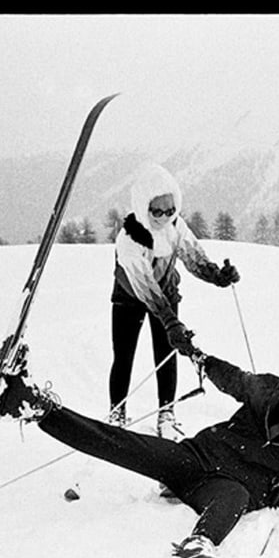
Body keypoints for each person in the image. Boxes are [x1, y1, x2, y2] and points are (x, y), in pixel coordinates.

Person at [0, 343, 279, 558]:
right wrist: (198, 356)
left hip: (225, 488)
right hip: (194, 458)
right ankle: (31, 405)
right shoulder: (271, 392)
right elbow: (234, 378)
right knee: (122, 443)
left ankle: (196, 548)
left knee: (235, 495)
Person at [110, 162, 240, 438]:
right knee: (124, 356)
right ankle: (117, 412)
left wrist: (218, 275)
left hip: (166, 294)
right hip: (129, 298)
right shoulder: (130, 239)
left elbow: (193, 257)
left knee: (167, 354)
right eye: (157, 210)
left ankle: (166, 412)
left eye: (171, 209)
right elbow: (145, 287)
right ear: (144, 206)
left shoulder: (175, 226)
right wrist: (170, 321)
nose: (165, 216)